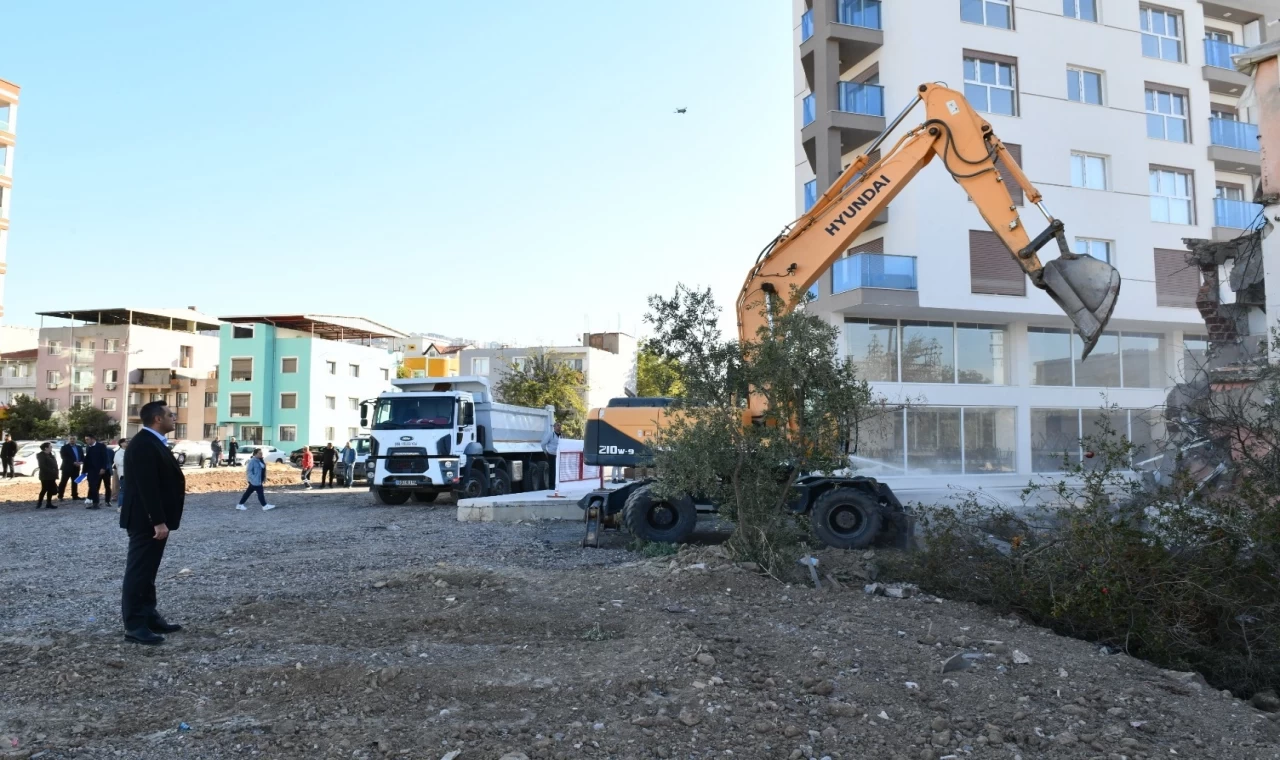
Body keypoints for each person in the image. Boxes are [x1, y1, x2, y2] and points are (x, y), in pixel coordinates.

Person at [119, 401, 185, 646]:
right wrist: (157, 521)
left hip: (152, 521)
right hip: (145, 521)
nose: (174, 418)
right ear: (158, 419)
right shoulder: (144, 444)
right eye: (170, 414)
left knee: (148, 572)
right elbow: (147, 487)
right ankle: (134, 625)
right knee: (139, 572)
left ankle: (149, 616)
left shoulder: (153, 442)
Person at [83, 433, 113, 510]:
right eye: (85, 439)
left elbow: (105, 457)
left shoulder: (101, 446)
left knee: (105, 486)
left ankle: (104, 501)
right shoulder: (88, 447)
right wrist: (84, 470)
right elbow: (87, 459)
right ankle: (94, 502)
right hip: (92, 470)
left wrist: (103, 468)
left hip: (101, 470)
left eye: (87, 439)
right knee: (93, 486)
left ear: (93, 439)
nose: (86, 441)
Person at [58, 435, 84, 502]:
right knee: (63, 482)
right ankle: (60, 496)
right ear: (68, 439)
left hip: (76, 468)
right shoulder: (64, 447)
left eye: (74, 439)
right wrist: (73, 462)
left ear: (76, 439)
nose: (72, 440)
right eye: (71, 439)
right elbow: (64, 457)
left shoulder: (79, 447)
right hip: (67, 468)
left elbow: (82, 456)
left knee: (75, 482)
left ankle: (75, 495)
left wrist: (81, 462)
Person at [36, 442, 59, 509]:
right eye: (50, 447)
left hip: (52, 476)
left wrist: (55, 472)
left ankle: (49, 503)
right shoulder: (41, 455)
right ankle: (39, 503)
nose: (51, 448)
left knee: (51, 490)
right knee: (44, 489)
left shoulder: (51, 455)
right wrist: (51, 471)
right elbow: (42, 466)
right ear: (46, 448)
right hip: (45, 476)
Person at [541, 421, 561, 490]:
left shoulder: (561, 436)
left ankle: (557, 485)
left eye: (560, 426)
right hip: (551, 455)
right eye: (557, 425)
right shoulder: (551, 435)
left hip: (558, 456)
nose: (559, 427)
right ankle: (551, 486)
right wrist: (545, 452)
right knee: (552, 471)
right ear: (554, 427)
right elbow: (543, 443)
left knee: (557, 471)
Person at [113, 438, 128, 509]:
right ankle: (120, 506)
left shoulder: (128, 451)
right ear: (121, 444)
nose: (127, 443)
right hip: (123, 474)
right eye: (125, 442)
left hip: (130, 474)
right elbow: (120, 462)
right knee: (123, 490)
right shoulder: (118, 453)